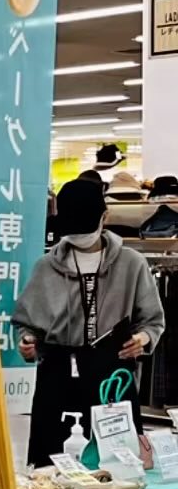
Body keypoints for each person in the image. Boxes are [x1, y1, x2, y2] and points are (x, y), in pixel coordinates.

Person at [12, 175, 164, 465]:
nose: (78, 235)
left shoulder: (131, 263)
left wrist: (142, 340)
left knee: (118, 463)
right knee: (50, 464)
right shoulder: (46, 267)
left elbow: (152, 320)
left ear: (105, 217)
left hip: (111, 372)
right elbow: (26, 323)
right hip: (57, 371)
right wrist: (27, 342)